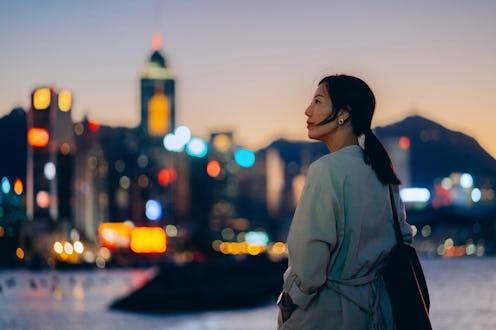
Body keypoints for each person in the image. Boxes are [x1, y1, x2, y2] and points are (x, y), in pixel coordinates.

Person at [277, 74, 413, 329]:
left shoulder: (325, 170)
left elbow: (309, 263)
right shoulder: (383, 171)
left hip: (328, 314)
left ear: (343, 114)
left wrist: (290, 301)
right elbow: (403, 238)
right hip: (379, 313)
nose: (308, 110)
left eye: (318, 101)